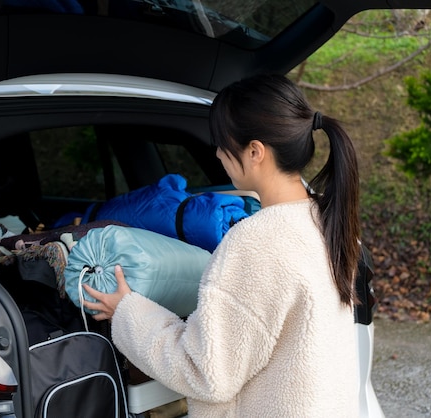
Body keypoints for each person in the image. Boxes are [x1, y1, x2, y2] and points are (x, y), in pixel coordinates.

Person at [82, 73, 361, 417]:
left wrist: (127, 311)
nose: (217, 153)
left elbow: (206, 372)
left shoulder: (257, 241)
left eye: (222, 143)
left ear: (256, 151)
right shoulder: (326, 220)